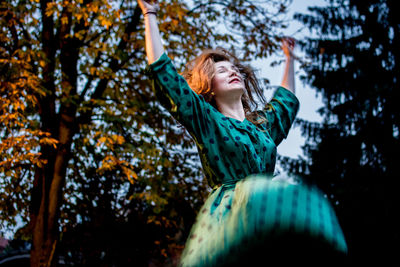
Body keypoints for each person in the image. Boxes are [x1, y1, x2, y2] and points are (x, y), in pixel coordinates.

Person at [137, 1, 348, 266]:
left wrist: (289, 60)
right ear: (210, 86)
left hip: (262, 207)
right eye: (221, 71)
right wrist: (151, 14)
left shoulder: (261, 128)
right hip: (230, 214)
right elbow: (165, 76)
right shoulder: (207, 120)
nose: (232, 71)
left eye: (234, 69)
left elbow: (286, 103)